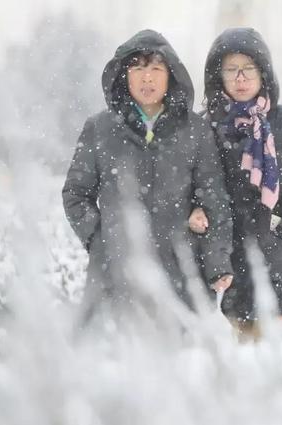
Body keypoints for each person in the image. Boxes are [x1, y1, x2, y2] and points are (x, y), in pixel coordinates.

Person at [62, 29, 233, 321]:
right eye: (138, 68)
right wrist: (102, 241)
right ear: (124, 75)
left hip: (180, 276)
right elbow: (75, 194)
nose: (147, 78)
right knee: (115, 360)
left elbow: (214, 199)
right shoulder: (100, 129)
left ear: (171, 75)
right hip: (116, 278)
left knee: (179, 361)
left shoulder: (195, 131)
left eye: (156, 68)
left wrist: (217, 263)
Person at [191, 28, 282, 333]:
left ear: (264, 72)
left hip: (281, 260)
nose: (240, 78)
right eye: (231, 70)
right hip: (228, 267)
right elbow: (192, 190)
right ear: (219, 76)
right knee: (240, 360)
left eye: (248, 69)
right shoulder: (204, 128)